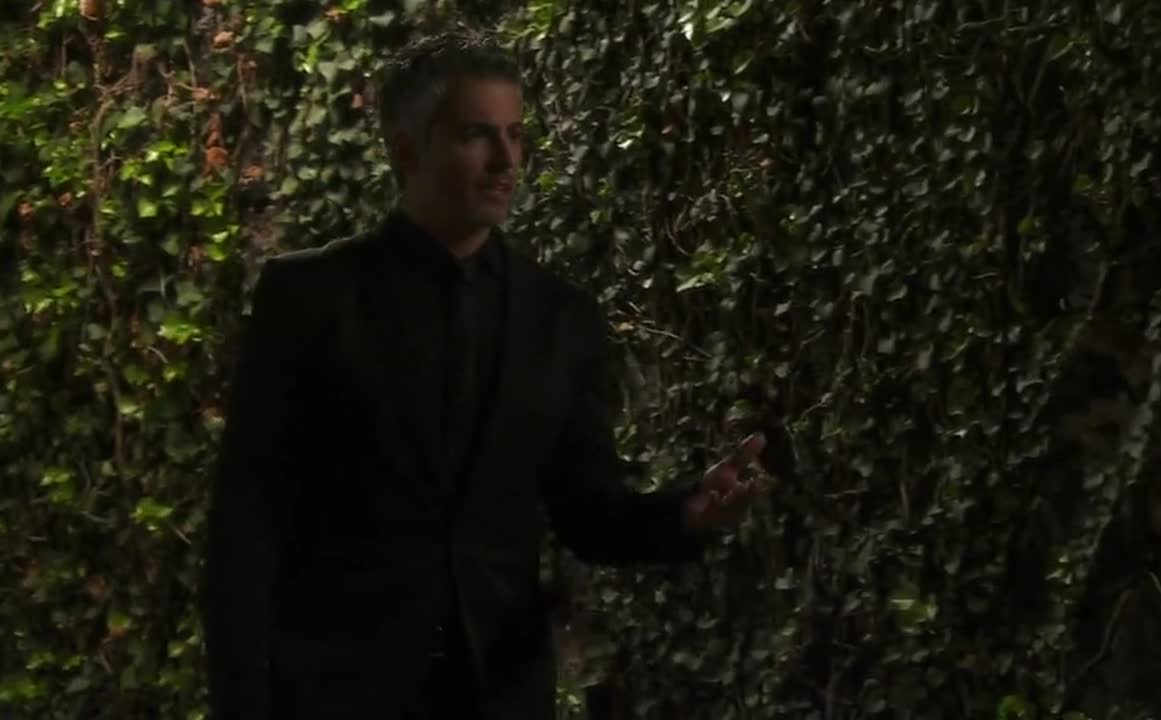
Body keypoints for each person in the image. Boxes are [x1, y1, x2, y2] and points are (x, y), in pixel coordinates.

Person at [199, 26, 766, 720]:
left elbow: (589, 514)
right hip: (338, 694)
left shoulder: (559, 317)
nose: (506, 160)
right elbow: (246, 526)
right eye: (477, 134)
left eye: (515, 135)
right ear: (405, 149)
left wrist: (687, 513)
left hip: (500, 696)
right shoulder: (311, 298)